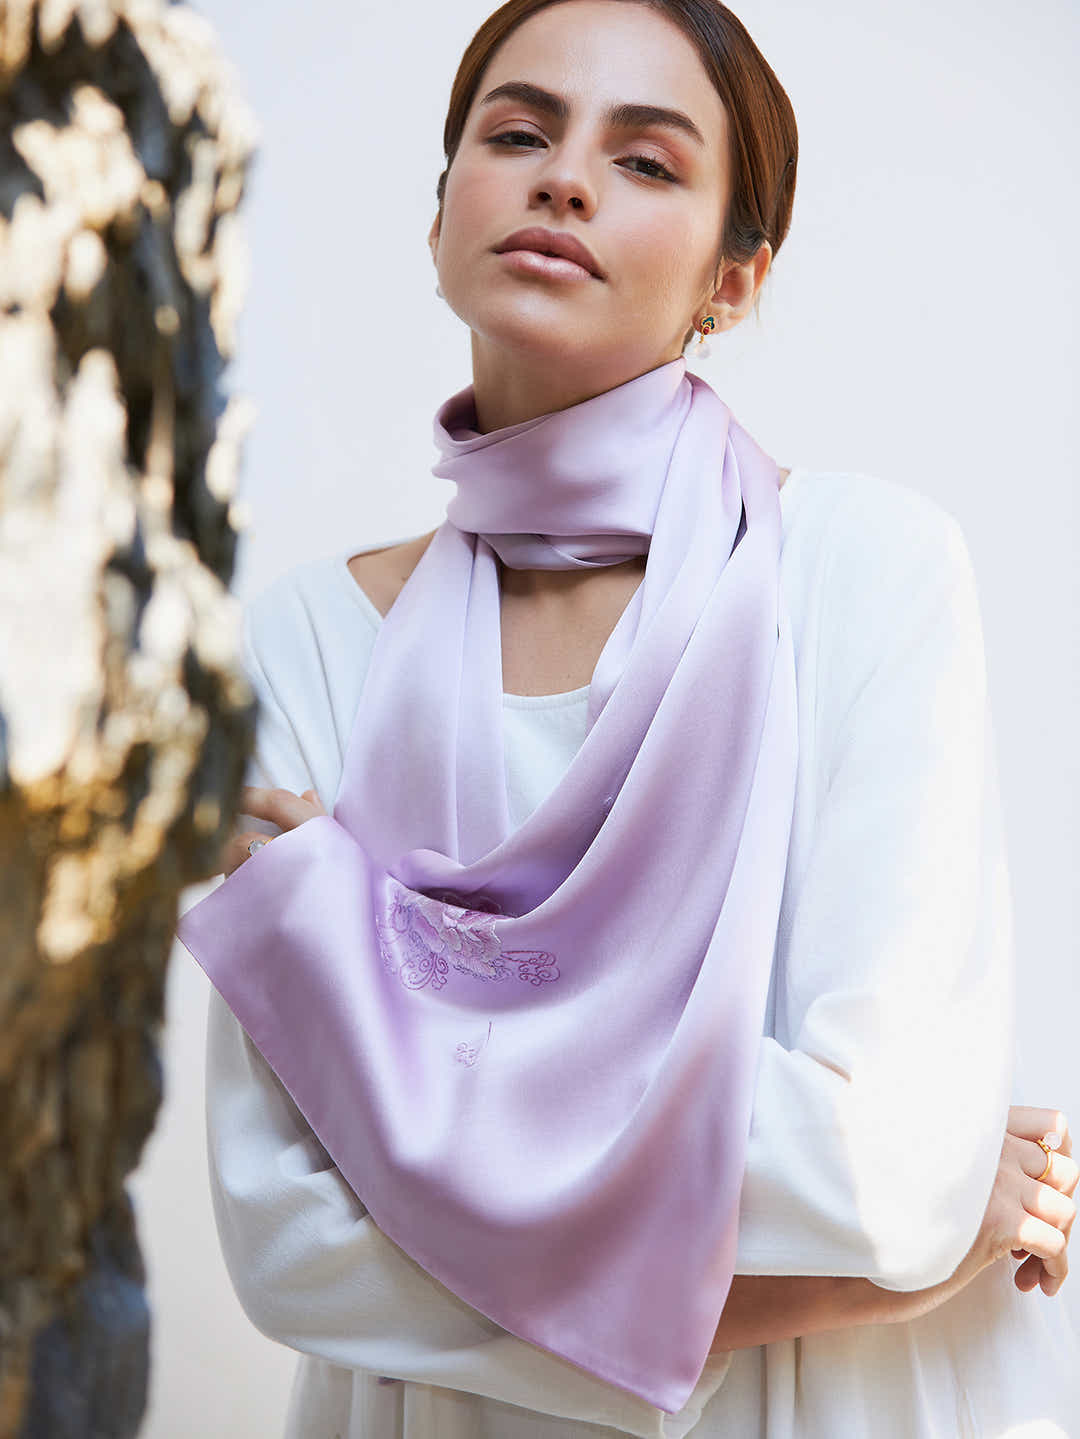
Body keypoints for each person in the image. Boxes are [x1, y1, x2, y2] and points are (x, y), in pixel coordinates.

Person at [185, 1, 1079, 1434]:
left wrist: (375, 997)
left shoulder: (865, 575)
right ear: (438, 221)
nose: (565, 178)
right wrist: (857, 1280)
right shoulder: (300, 643)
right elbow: (295, 1256)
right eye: (518, 132)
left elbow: (882, 1168)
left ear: (739, 275)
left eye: (649, 162)